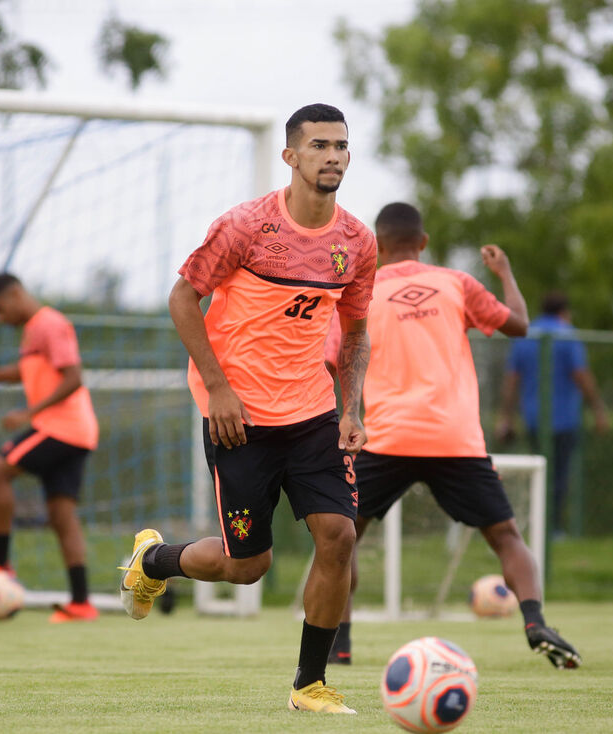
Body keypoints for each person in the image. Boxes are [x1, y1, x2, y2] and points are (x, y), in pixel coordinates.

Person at [118, 103, 376, 714]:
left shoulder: (357, 241)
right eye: (318, 146)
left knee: (338, 536)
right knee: (248, 567)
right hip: (241, 419)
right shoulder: (245, 226)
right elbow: (183, 299)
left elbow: (358, 331)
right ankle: (153, 558)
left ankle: (309, 684)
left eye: (341, 145)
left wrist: (351, 408)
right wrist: (219, 389)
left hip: (314, 414)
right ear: (291, 156)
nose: (332, 155)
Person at [324, 202, 582, 670]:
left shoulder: (359, 292)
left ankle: (338, 645)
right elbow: (519, 326)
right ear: (423, 243)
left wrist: (344, 413)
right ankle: (535, 621)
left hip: (385, 438)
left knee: (342, 539)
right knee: (506, 536)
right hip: (455, 437)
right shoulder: (456, 283)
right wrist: (504, 274)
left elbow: (329, 360)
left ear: (379, 246)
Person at [0, 274, 100, 623]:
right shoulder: (34, 329)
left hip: (61, 428)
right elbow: (24, 371)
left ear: (15, 294)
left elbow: (74, 376)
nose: (0, 319)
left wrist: (30, 413)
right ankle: (81, 603)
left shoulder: (49, 323)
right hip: (78, 432)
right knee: (62, 516)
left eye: (0, 310)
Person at [495, 291, 608, 537]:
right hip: (565, 419)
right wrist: (598, 408)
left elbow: (512, 379)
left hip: (533, 417)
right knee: (559, 476)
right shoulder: (567, 335)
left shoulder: (526, 334)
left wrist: (506, 416)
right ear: (564, 311)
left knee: (540, 472)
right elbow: (581, 375)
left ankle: (538, 525)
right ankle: (552, 528)